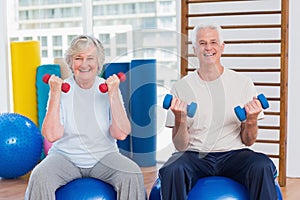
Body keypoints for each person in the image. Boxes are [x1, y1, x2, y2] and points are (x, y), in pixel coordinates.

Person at [158, 23, 278, 200]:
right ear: (194, 49)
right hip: (195, 154)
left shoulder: (243, 83)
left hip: (234, 154)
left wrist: (251, 120)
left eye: (213, 42)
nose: (208, 48)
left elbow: (248, 141)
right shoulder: (181, 87)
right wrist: (180, 119)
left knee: (262, 165)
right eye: (202, 43)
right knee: (172, 168)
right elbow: (180, 146)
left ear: (222, 47)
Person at [25, 35, 146, 200]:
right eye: (78, 58)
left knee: (131, 173)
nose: (84, 64)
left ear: (98, 63)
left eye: (90, 58)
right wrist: (54, 94)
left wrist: (113, 96)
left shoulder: (108, 88)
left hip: (104, 156)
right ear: (71, 62)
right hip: (65, 157)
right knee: (39, 176)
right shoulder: (61, 90)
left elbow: (121, 134)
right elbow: (52, 135)